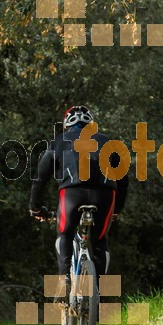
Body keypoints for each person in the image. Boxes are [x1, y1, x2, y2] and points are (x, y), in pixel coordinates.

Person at [29, 105, 128, 298]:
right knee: (100, 241)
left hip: (72, 194)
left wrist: (36, 208)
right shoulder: (108, 142)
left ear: (67, 125)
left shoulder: (59, 142)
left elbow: (40, 178)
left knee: (65, 233)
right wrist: (117, 209)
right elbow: (123, 180)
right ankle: (99, 294)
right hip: (106, 195)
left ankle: (64, 280)